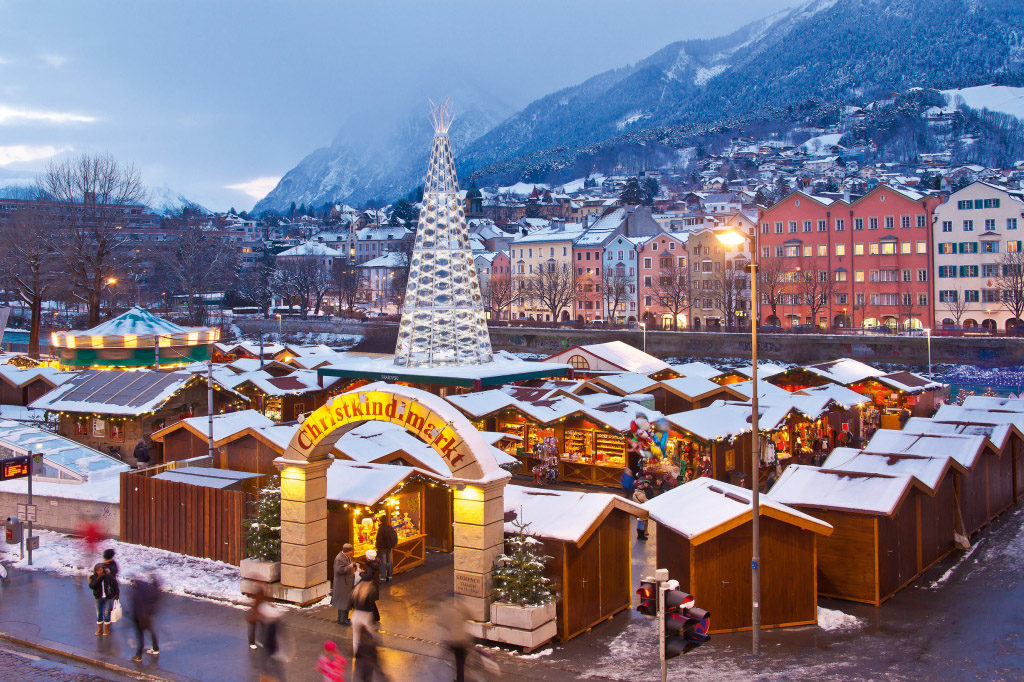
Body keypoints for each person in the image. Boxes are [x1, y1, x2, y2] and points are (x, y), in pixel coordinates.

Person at [130, 572, 161, 662]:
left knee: (140, 636)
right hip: (147, 616)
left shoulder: (137, 595)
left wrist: (134, 617)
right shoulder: (151, 591)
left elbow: (136, 607)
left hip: (140, 617)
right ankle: (155, 649)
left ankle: (138, 655)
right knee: (151, 631)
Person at [88, 558, 119, 636]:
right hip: (98, 598)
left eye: (101, 570)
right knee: (99, 613)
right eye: (98, 570)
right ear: (95, 571)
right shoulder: (94, 578)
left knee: (106, 613)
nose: (100, 572)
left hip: (108, 597)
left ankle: (106, 629)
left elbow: (115, 585)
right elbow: (92, 586)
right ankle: (99, 629)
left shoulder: (108, 576)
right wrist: (99, 578)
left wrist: (116, 595)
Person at [350, 580, 376, 655]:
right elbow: (372, 605)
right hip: (365, 616)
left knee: (356, 635)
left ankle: (356, 651)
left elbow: (351, 603)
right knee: (367, 634)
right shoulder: (370, 592)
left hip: (355, 615)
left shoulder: (355, 591)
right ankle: (366, 652)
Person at [332, 543, 355, 625]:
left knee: (345, 602)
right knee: (343, 602)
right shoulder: (339, 559)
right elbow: (339, 570)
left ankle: (343, 618)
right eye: (351, 551)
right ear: (347, 551)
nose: (351, 553)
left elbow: (348, 565)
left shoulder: (346, 557)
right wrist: (350, 567)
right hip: (342, 584)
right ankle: (343, 620)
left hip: (346, 583)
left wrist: (354, 565)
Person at [246, 583, 269, 649]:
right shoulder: (259, 594)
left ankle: (259, 641)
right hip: (254, 615)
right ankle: (252, 643)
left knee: (263, 626)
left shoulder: (262, 594)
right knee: (253, 628)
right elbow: (257, 605)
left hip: (259, 614)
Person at [361, 550, 382, 623]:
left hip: (370, 586)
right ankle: (376, 617)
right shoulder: (375, 563)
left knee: (369, 602)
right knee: (371, 602)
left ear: (368, 558)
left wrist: (361, 574)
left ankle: (372, 618)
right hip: (374, 585)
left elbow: (368, 576)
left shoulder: (370, 565)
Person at [375, 519, 398, 583]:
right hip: (389, 547)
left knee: (383, 563)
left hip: (382, 548)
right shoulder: (390, 527)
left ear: (381, 521)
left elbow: (378, 539)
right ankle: (390, 576)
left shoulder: (381, 528)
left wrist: (377, 547)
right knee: (389, 561)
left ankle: (383, 578)